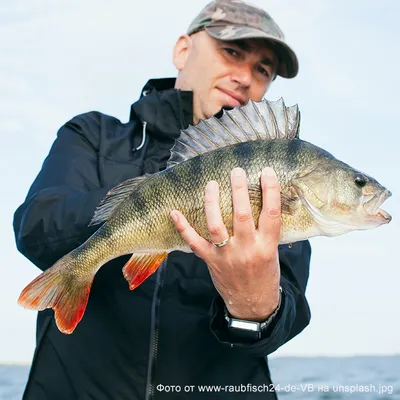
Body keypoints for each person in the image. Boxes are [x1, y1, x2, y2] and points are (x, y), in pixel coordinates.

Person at [13, 0, 311, 399]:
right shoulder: (92, 135)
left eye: (263, 69)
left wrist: (255, 307)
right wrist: (149, 205)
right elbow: (35, 226)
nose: (244, 76)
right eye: (233, 51)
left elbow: (284, 317)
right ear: (183, 50)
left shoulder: (271, 178)